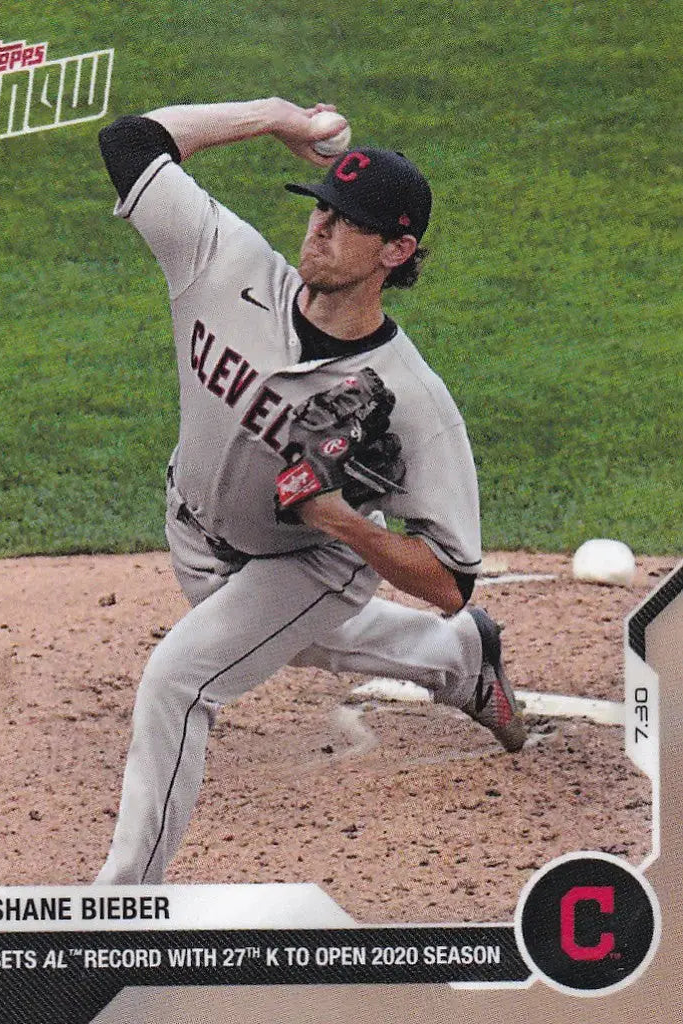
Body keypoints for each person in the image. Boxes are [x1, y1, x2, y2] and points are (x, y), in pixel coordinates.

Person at [95, 97, 526, 885]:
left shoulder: (412, 402)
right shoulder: (221, 261)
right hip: (193, 533)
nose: (320, 229)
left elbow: (451, 578)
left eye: (347, 221)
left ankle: (121, 905)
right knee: (261, 639)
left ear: (397, 250)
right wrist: (273, 117)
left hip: (307, 564)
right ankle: (459, 662)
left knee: (180, 680)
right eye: (321, 209)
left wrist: (342, 521)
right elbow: (131, 141)